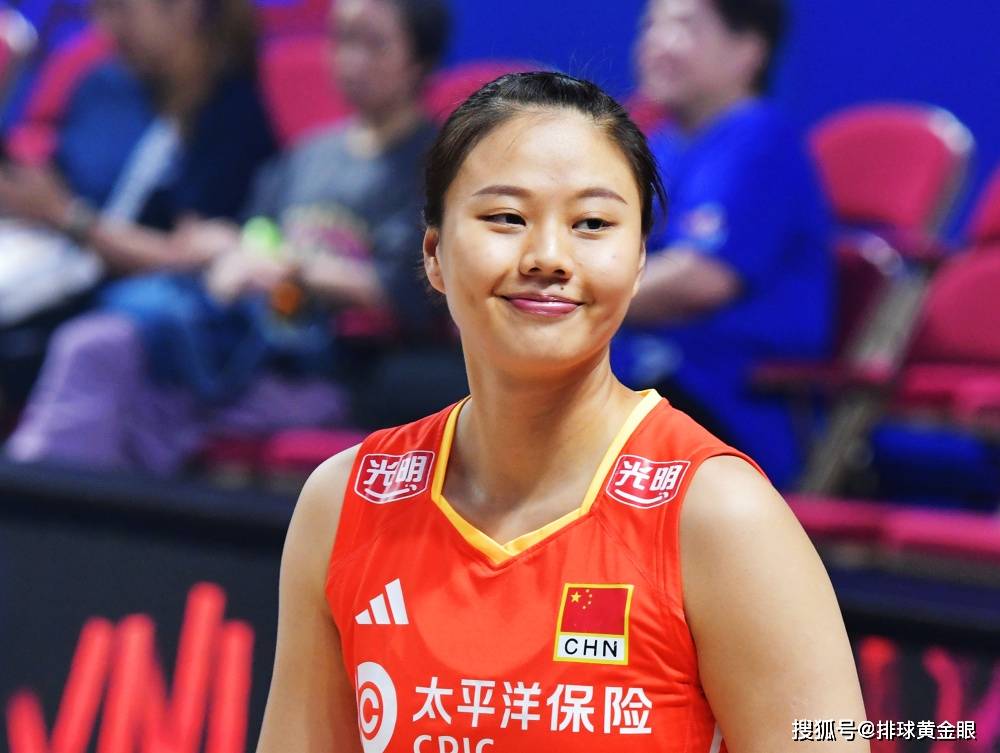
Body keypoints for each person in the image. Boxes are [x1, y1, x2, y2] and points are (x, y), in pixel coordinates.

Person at [256, 72, 868, 752]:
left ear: (639, 261)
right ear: (433, 255)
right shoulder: (345, 502)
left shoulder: (722, 515)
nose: (548, 257)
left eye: (593, 224)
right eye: (506, 218)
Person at [4, 0, 461, 474]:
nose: (350, 60)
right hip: (250, 336)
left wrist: (287, 266)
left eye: (373, 44)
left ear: (420, 61)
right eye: (342, 40)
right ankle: (43, 499)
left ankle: (41, 499)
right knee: (103, 353)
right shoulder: (307, 155)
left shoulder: (435, 167)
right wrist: (227, 249)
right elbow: (252, 236)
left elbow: (404, 288)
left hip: (329, 364)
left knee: (115, 370)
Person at [0, 0, 276, 404]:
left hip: (126, 318)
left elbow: (192, 258)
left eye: (121, 9)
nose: (106, 28)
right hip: (47, 278)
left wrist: (67, 218)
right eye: (99, 11)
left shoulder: (229, 112)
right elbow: (57, 187)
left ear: (185, 9)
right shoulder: (101, 87)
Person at [614, 0, 833, 488]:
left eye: (683, 27)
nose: (655, 43)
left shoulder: (758, 139)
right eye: (650, 26)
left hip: (725, 402)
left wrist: (568, 301)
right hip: (641, 377)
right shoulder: (659, 143)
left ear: (748, 51)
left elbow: (700, 279)